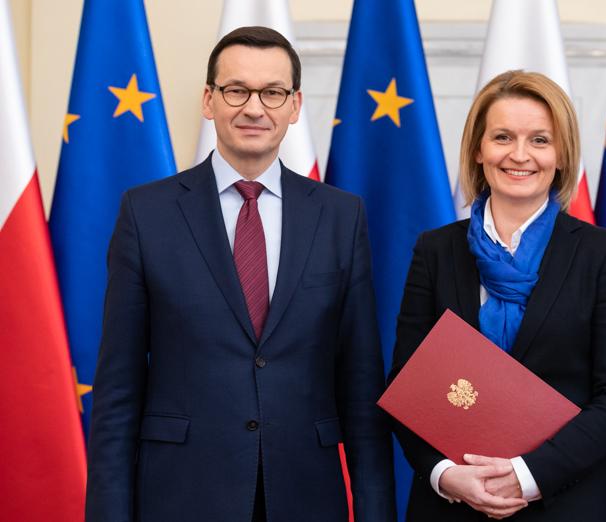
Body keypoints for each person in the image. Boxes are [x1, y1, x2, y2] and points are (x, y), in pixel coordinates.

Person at [85, 26, 395, 522]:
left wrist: (376, 510)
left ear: (294, 106)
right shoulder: (147, 213)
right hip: (180, 496)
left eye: (272, 93)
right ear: (209, 100)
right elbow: (118, 391)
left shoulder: (340, 216)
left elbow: (360, 384)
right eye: (237, 90)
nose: (255, 108)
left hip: (306, 496)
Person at [388, 70, 606, 521]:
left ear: (562, 154)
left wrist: (527, 475)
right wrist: (444, 474)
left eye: (540, 140)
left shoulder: (602, 253)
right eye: (503, 137)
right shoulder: (435, 250)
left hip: (564, 503)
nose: (520, 155)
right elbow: (408, 385)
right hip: (450, 505)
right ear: (478, 150)